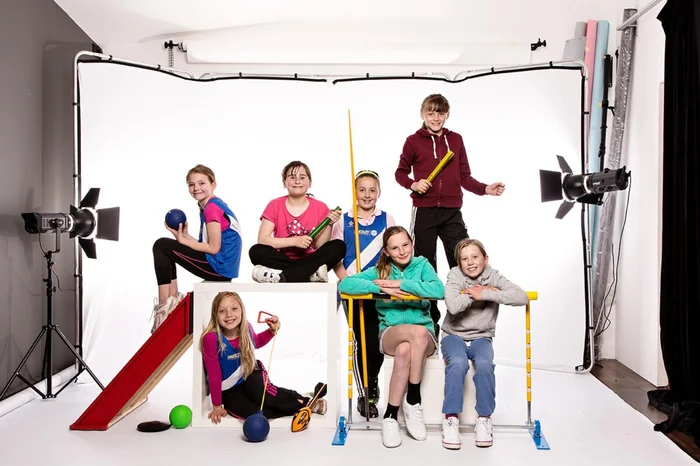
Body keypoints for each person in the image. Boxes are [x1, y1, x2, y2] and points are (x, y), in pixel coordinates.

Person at [394, 94, 506, 337]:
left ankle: (464, 318)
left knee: (463, 261)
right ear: (423, 114)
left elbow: (464, 176)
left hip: (451, 211)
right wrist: (414, 184)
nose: (436, 118)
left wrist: (485, 189)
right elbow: (400, 173)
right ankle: (429, 320)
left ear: (447, 115)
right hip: (424, 210)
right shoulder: (413, 141)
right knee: (425, 266)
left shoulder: (455, 140)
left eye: (440, 113)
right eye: (431, 113)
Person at [338, 226, 444, 448]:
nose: (402, 251)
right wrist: (381, 289)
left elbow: (438, 290)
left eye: (405, 245)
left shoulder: (422, 265)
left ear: (411, 243)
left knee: (408, 347)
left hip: (424, 336)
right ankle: (413, 399)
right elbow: (346, 284)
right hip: (391, 332)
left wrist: (402, 284)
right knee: (414, 336)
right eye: (395, 248)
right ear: (386, 251)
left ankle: (390, 415)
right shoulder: (380, 271)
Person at [441, 239, 529, 449]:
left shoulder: (493, 275)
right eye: (464, 259)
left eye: (475, 257)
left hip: (482, 336)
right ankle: (451, 418)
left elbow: (521, 297)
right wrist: (476, 294)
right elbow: (453, 306)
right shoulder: (455, 275)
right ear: (459, 263)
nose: (470, 262)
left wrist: (488, 293)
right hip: (454, 335)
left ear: (485, 259)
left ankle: (484, 418)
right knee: (458, 363)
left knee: (484, 364)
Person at [200, 291, 327, 423]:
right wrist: (216, 406)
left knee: (262, 395)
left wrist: (271, 331)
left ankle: (305, 401)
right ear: (215, 314)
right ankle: (296, 402)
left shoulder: (246, 327)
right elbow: (214, 374)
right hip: (230, 390)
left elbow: (257, 341)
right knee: (257, 413)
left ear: (242, 310)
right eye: (222, 311)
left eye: (234, 308)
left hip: (250, 372)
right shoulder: (211, 339)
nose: (229, 314)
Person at [331, 169, 396, 419]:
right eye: (362, 189)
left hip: (379, 290)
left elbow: (393, 254)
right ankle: (365, 393)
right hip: (352, 291)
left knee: (378, 339)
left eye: (372, 190)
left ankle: (373, 381)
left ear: (379, 193)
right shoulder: (343, 220)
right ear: (354, 192)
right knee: (362, 340)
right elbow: (335, 257)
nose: (367, 195)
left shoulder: (387, 219)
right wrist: (347, 282)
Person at [151, 164, 242, 333]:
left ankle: (164, 306)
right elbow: (205, 246)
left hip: (219, 268)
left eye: (201, 183)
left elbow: (213, 248)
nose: (196, 188)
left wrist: (184, 242)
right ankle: (171, 301)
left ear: (213, 185)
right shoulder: (213, 205)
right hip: (222, 267)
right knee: (167, 248)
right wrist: (184, 237)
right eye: (191, 184)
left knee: (161, 245)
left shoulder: (212, 208)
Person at [249, 160, 346, 283]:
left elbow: (320, 246)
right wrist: (295, 241)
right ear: (284, 182)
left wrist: (329, 224)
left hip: (311, 259)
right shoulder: (274, 205)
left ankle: (285, 275)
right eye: (292, 177)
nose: (297, 181)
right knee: (256, 251)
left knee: (338, 246)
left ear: (309, 183)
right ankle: (308, 274)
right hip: (283, 260)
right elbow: (263, 240)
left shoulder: (321, 207)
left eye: (302, 177)